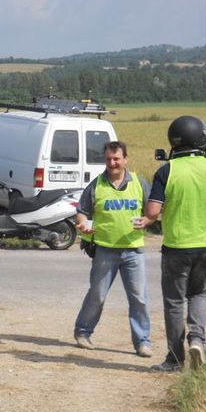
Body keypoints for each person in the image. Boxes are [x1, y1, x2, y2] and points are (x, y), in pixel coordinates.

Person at [138, 116, 206, 372]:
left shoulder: (167, 171)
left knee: (175, 301)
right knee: (199, 293)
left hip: (177, 246)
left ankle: (175, 359)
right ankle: (198, 340)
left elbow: (153, 211)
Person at [73, 141, 152, 357]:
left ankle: (143, 342)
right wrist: (82, 225)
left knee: (139, 298)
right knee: (97, 295)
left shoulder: (139, 182)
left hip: (133, 250)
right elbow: (82, 211)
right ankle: (82, 332)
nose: (112, 163)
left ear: (125, 159)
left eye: (116, 158)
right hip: (105, 250)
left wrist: (146, 220)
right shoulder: (97, 185)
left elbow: (152, 209)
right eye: (108, 159)